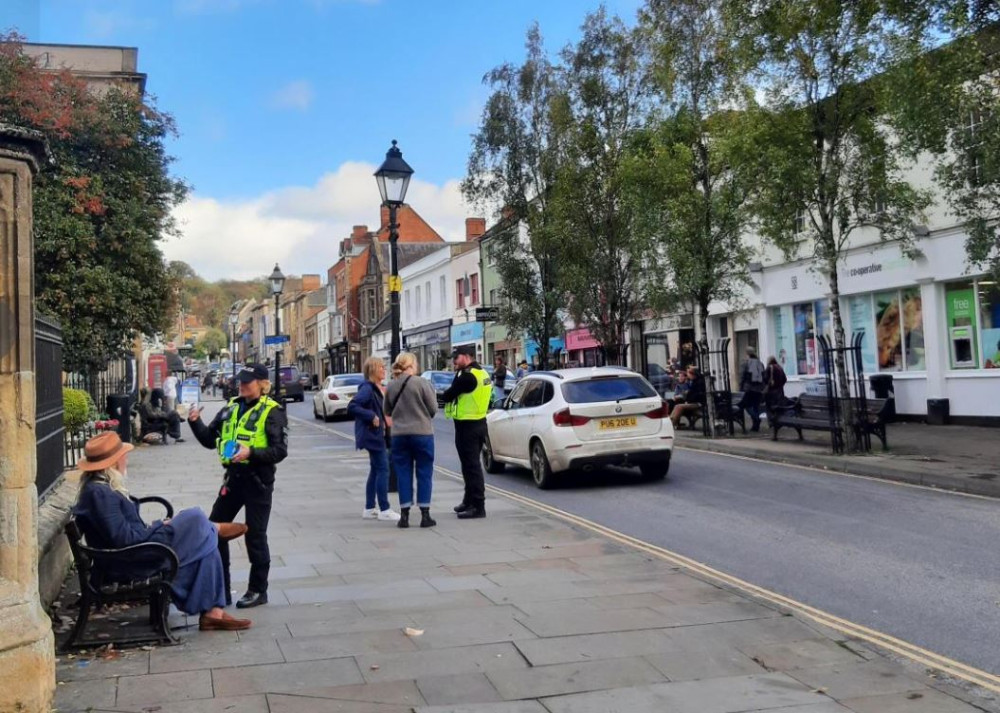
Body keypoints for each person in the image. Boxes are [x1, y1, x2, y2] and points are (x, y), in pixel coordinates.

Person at [71, 431, 252, 630]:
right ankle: (214, 529)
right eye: (123, 455)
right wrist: (159, 526)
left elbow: (123, 535)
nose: (126, 458)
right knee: (195, 517)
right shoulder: (100, 494)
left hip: (135, 552)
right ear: (113, 463)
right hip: (131, 561)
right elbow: (125, 541)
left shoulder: (99, 488)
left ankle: (213, 613)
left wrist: (158, 525)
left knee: (206, 542)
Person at [188, 364, 288, 609]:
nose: (242, 385)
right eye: (240, 381)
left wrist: (250, 453)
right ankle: (222, 587)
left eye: (248, 381)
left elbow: (279, 451)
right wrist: (195, 422)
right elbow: (210, 440)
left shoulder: (272, 412)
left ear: (262, 384)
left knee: (255, 534)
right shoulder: (231, 406)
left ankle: (257, 590)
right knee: (215, 529)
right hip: (233, 479)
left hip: (258, 481)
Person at [384, 352, 438, 529]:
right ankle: (425, 515)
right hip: (422, 433)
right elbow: (433, 408)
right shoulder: (422, 383)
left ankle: (404, 516)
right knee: (424, 472)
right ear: (412, 365)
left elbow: (388, 410)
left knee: (403, 473)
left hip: (399, 435)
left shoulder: (391, 385)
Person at [442, 345, 493, 519]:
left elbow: (448, 395)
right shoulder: (482, 373)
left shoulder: (467, 377)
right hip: (479, 423)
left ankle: (478, 506)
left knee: (472, 467)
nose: (454, 361)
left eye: (456, 358)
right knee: (469, 466)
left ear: (466, 357)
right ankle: (468, 500)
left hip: (468, 426)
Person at [348, 357, 401, 523]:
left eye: (384, 367)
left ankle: (369, 508)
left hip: (379, 435)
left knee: (375, 470)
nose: (384, 370)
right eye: (381, 367)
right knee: (383, 469)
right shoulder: (367, 388)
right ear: (372, 370)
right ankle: (384, 509)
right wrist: (371, 415)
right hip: (372, 435)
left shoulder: (378, 388)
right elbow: (353, 406)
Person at [739, 347, 767, 432]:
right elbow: (764, 375)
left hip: (749, 388)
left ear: (747, 354)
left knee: (746, 405)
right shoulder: (760, 363)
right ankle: (755, 426)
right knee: (756, 407)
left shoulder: (746, 363)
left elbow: (742, 376)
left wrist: (741, 386)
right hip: (758, 389)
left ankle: (756, 418)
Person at [763, 355, 788, 422]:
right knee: (778, 406)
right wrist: (780, 385)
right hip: (780, 391)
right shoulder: (780, 367)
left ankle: (771, 421)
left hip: (771, 391)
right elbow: (785, 379)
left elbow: (765, 379)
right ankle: (779, 420)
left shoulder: (769, 368)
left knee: (769, 406)